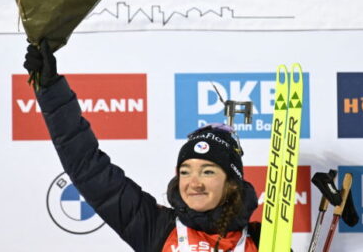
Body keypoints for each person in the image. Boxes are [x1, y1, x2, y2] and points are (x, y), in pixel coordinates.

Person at [24, 42, 261, 252]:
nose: (193, 183)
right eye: (185, 171)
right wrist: (51, 89)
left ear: (231, 182)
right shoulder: (154, 225)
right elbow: (87, 168)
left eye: (207, 171)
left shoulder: (263, 240)